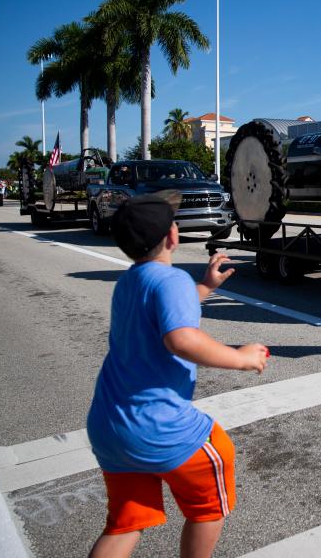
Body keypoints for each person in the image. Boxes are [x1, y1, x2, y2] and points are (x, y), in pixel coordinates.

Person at [86, 191, 269, 558]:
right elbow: (181, 338)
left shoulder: (130, 281)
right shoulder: (172, 282)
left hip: (110, 426)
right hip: (159, 427)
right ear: (173, 236)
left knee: (126, 524)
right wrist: (241, 357)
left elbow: (164, 313)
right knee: (212, 487)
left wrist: (205, 287)